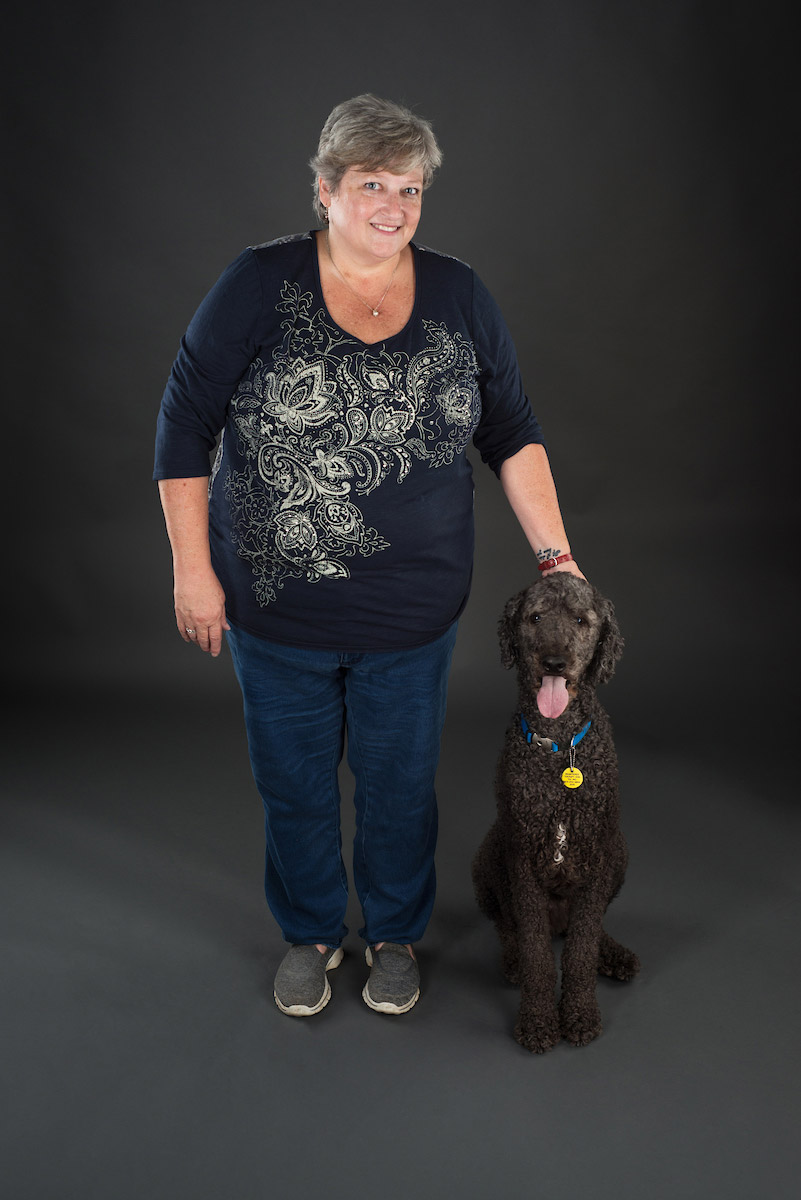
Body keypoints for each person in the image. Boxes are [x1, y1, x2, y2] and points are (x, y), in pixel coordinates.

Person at [154, 94, 583, 1019]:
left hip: (411, 614)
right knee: (295, 789)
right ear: (325, 191)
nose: (393, 205)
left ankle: (393, 934)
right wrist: (193, 568)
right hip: (275, 611)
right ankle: (310, 933)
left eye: (411, 188)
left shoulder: (460, 292)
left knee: (398, 792)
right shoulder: (257, 284)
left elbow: (511, 431)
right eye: (371, 185)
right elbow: (185, 423)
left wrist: (557, 558)